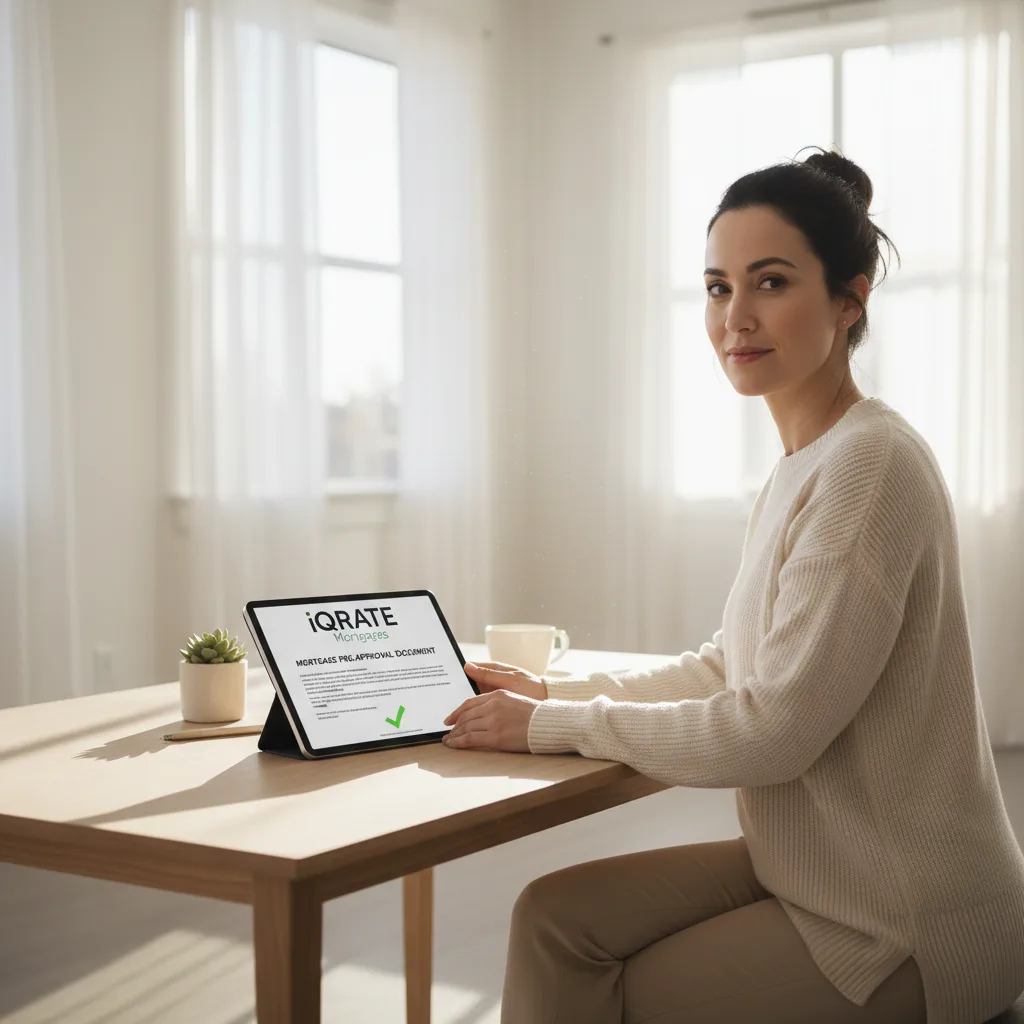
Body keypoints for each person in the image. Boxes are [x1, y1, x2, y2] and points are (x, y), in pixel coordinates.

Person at [441, 146, 1024, 1024]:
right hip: (818, 867)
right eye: (718, 287)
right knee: (555, 921)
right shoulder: (805, 463)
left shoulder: (870, 465)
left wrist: (551, 727)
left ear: (850, 298)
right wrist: (552, 691)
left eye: (772, 282)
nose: (735, 318)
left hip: (905, 919)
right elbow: (730, 668)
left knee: (611, 992)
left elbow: (771, 732)